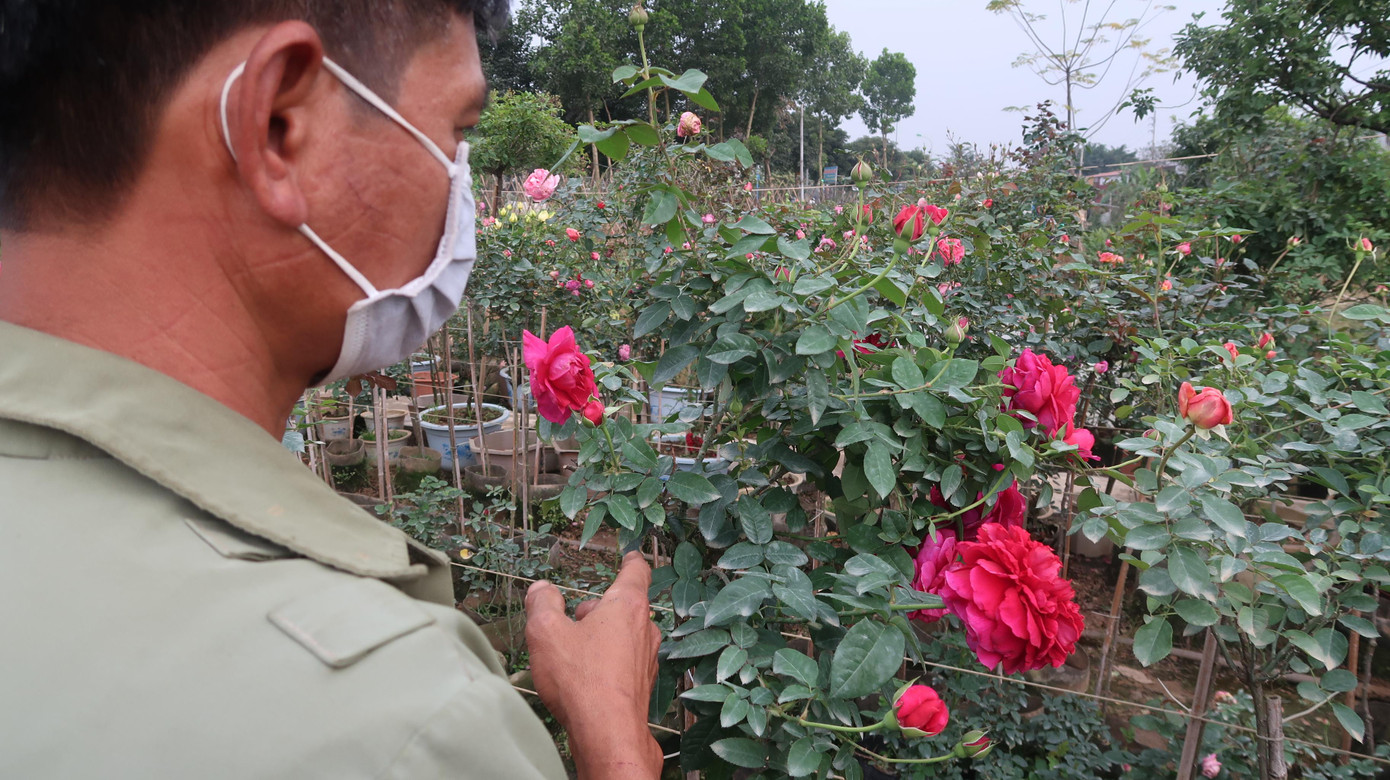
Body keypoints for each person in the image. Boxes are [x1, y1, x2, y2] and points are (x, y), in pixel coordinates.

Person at [0, 2, 663, 777]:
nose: (460, 188)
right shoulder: (394, 725)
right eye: (456, 132)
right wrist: (615, 745)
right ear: (281, 126)